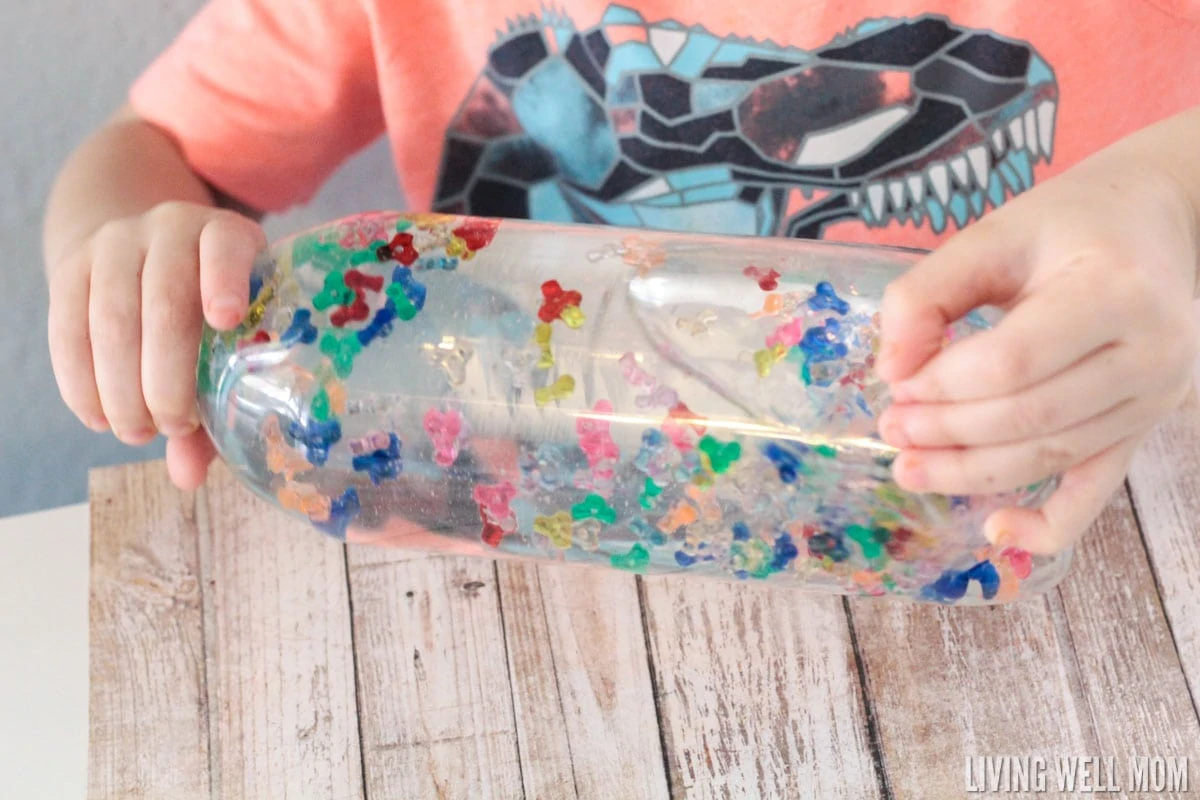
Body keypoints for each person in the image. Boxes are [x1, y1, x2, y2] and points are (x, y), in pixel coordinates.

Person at [42, 0, 1200, 556]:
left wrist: (1179, 197)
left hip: (1087, 538)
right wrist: (131, 258)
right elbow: (152, 153)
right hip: (517, 567)